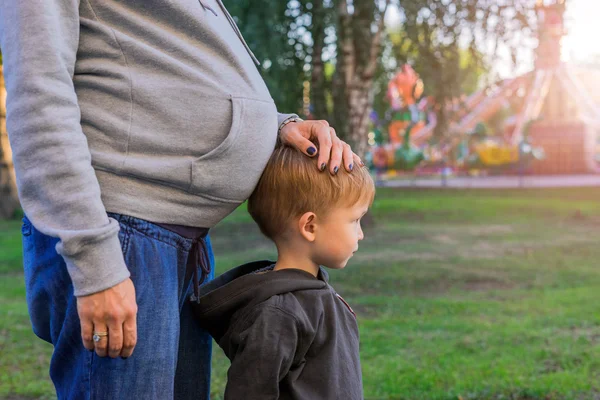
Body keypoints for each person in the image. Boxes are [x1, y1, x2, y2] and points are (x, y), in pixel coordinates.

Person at [0, 1, 362, 398]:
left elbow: (160, 70)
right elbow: (39, 92)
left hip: (175, 243)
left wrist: (272, 128)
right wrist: (95, 260)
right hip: (120, 237)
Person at [193, 141, 375, 399]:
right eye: (354, 220)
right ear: (310, 226)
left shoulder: (315, 292)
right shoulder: (279, 314)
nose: (360, 234)